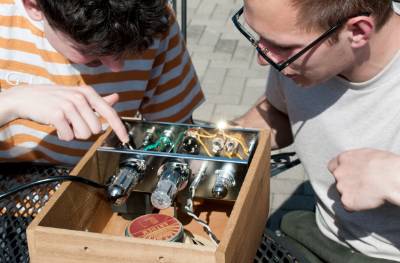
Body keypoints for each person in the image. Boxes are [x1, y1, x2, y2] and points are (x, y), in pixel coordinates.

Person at [231, 0, 400, 261]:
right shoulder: (294, 53)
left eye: (283, 46)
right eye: (259, 37)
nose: (263, 59)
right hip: (320, 236)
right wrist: (223, 141)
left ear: (357, 32)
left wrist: (393, 176)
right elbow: (280, 113)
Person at [0, 0, 204, 165]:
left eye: (130, 47)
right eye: (90, 52)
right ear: (34, 6)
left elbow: (176, 136)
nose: (117, 67)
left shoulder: (153, 20)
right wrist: (11, 103)